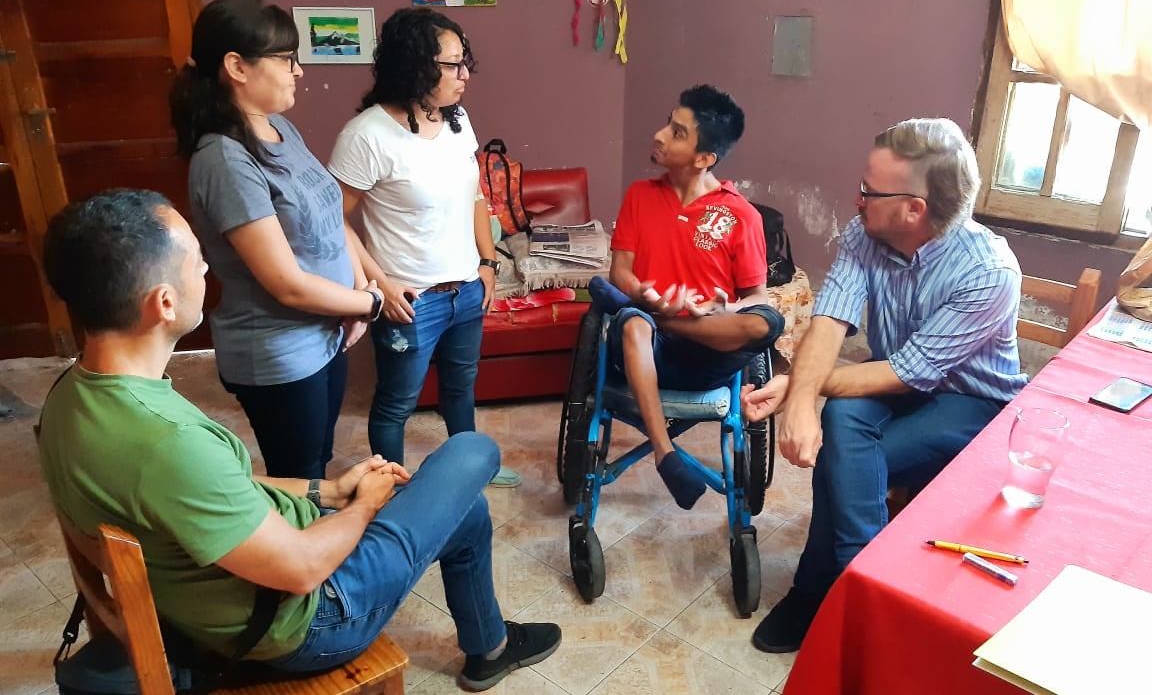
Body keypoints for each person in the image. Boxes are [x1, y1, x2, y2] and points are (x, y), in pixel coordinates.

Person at [36, 189, 561, 691]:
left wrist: (327, 491)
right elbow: (302, 569)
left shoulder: (70, 395)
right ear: (164, 303)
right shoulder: (169, 442)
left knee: (463, 510)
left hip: (223, 590)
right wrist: (366, 504)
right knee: (473, 452)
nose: (206, 269)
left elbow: (218, 487)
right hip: (305, 623)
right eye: (196, 260)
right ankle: (487, 645)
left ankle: (489, 647)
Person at [742, 118, 1028, 653]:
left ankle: (823, 591)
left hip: (970, 401)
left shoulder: (989, 272)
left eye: (869, 191)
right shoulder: (866, 232)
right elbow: (830, 320)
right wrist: (799, 397)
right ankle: (865, 588)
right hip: (894, 376)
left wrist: (798, 386)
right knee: (841, 418)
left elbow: (908, 372)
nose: (856, 199)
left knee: (842, 459)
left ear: (914, 209)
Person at [170, 0, 383, 481]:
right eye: (286, 59)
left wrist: (355, 297)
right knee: (298, 478)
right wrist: (367, 304)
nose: (298, 71)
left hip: (328, 334)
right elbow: (286, 285)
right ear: (236, 67)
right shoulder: (225, 159)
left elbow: (331, 214)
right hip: (280, 353)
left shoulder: (279, 128)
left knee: (318, 462)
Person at [328, 7, 518, 486]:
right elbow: (332, 221)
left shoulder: (457, 120)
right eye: (452, 64)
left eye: (464, 62)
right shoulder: (367, 135)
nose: (464, 75)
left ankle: (470, 469)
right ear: (414, 65)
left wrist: (487, 262)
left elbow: (475, 194)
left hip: (467, 290)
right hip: (410, 300)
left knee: (461, 388)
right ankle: (389, 490)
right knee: (397, 403)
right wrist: (379, 284)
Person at [588, 84, 784, 510]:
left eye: (677, 133)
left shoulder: (741, 215)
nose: (659, 135)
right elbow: (620, 271)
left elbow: (756, 298)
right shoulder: (640, 195)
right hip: (645, 346)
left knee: (768, 321)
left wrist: (718, 309)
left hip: (707, 353)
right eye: (667, 123)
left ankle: (667, 320)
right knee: (633, 321)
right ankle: (666, 454)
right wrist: (642, 294)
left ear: (704, 158)